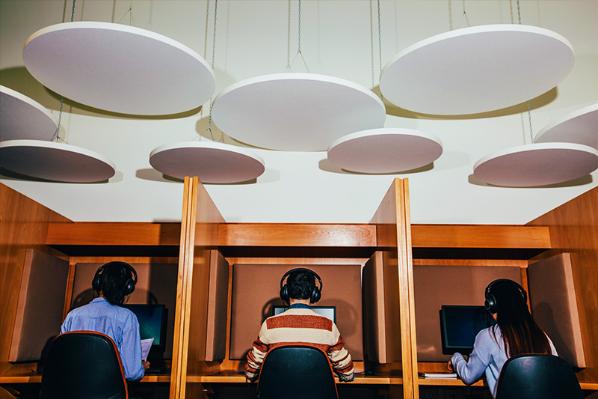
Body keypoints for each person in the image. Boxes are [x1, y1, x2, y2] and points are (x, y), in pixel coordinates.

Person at [448, 279, 557, 398]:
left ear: (491, 304)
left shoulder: (488, 335)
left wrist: (456, 358)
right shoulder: (542, 335)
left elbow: (468, 376)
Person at [244, 268, 354, 382]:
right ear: (314, 293)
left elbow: (251, 372)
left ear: (285, 292)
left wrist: (252, 375)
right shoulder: (328, 326)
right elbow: (348, 374)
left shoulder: (269, 324)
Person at [61, 261, 146, 381]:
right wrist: (142, 367)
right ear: (128, 287)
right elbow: (132, 373)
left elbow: (62, 363)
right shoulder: (127, 317)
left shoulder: (72, 316)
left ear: (97, 284)